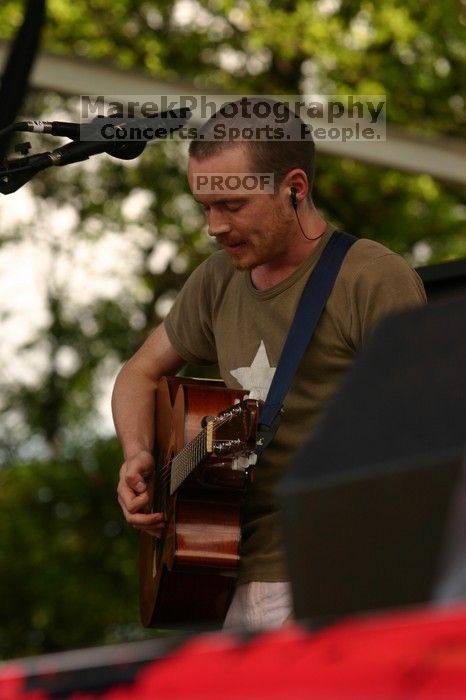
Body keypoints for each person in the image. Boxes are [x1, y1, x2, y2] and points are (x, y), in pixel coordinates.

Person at [112, 98, 426, 630]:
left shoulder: (371, 277)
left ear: (294, 188)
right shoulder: (216, 281)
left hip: (339, 577)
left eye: (231, 206)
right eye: (204, 207)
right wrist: (138, 456)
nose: (214, 226)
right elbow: (138, 374)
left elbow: (432, 433)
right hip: (229, 580)